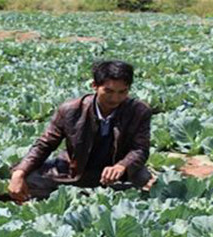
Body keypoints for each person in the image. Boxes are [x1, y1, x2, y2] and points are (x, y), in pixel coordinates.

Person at [9, 60, 154, 201]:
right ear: (94, 86)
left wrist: (122, 166)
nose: (115, 98)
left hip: (117, 173)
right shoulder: (70, 110)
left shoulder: (139, 111)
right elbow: (45, 144)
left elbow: (140, 149)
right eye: (108, 91)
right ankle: (87, 195)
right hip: (76, 169)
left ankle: (93, 196)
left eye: (122, 92)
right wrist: (19, 173)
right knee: (27, 179)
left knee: (146, 182)